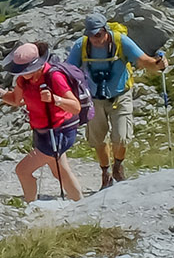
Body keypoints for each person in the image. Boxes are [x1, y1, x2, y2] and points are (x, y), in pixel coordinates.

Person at [64, 10, 165, 188]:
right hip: (94, 98)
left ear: (105, 30)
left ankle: (118, 165)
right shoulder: (82, 45)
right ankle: (106, 172)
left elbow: (143, 60)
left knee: (122, 136)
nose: (95, 39)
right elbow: (68, 70)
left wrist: (158, 64)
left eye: (98, 34)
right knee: (98, 139)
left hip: (120, 95)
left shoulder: (120, 41)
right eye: (91, 35)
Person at [0, 42, 83, 203]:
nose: (23, 73)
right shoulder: (23, 80)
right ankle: (81, 204)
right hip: (43, 132)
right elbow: (15, 100)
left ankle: (30, 205)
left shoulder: (54, 77)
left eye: (26, 70)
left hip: (60, 132)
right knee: (60, 171)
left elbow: (76, 107)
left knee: (23, 170)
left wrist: (55, 99)